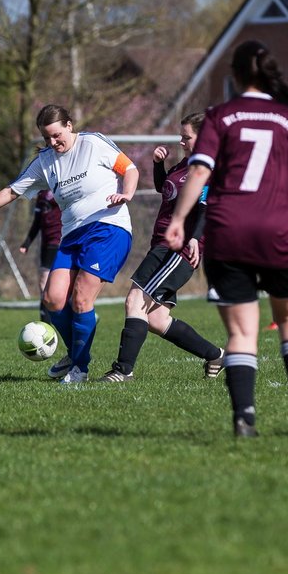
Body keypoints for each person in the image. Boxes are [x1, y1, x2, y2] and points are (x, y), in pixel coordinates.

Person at [166, 41, 288, 437]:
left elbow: (197, 174)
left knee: (241, 332)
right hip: (279, 233)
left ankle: (244, 416)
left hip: (228, 233)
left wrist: (179, 219)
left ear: (234, 76)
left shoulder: (219, 117)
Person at [0, 105, 138, 384]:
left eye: (57, 136)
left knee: (81, 298)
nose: (53, 143)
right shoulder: (46, 161)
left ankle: (80, 368)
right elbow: (12, 190)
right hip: (71, 236)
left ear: (69, 126)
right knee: (53, 299)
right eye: (47, 139)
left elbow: (128, 168)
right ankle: (75, 351)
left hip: (108, 229)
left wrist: (126, 193)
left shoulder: (93, 143)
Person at [96, 112, 225, 382]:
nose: (181, 141)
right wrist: (159, 165)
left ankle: (123, 371)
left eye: (186, 136)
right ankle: (216, 355)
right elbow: (163, 189)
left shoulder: (207, 169)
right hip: (162, 246)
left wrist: (194, 237)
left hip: (178, 249)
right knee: (156, 319)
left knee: (135, 300)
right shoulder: (185, 164)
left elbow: (205, 207)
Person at [18, 189, 62, 322]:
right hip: (46, 242)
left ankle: (53, 321)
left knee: (48, 282)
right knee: (44, 283)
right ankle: (45, 322)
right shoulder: (41, 194)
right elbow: (37, 221)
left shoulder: (62, 187)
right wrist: (27, 243)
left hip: (59, 240)